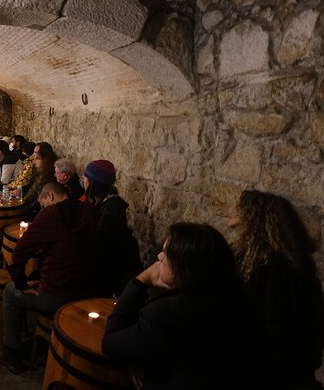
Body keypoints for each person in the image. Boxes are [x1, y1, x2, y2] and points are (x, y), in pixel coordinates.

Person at [102, 223, 257, 389]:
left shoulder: (166, 313)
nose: (159, 257)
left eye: (166, 253)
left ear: (183, 267)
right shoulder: (235, 301)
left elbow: (110, 342)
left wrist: (140, 280)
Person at [229, 190, 324, 390]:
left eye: (239, 211)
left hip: (273, 371)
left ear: (252, 219)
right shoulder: (278, 262)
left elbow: (273, 323)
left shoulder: (273, 267)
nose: (232, 216)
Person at [0, 182, 95, 374]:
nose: (42, 209)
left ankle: (13, 353)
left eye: (42, 205)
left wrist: (21, 284)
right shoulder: (88, 211)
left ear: (50, 196)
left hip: (59, 294)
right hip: (86, 290)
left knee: (10, 292)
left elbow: (18, 255)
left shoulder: (51, 215)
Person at [83, 159, 142, 297]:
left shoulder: (112, 209)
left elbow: (104, 245)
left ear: (93, 182)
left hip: (113, 273)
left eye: (85, 178)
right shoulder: (102, 201)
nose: (83, 180)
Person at [21, 142, 57, 221]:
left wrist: (22, 204)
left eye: (37, 158)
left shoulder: (49, 177)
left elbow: (38, 203)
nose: (33, 156)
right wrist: (19, 192)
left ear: (45, 158)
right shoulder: (37, 173)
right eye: (34, 152)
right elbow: (30, 189)